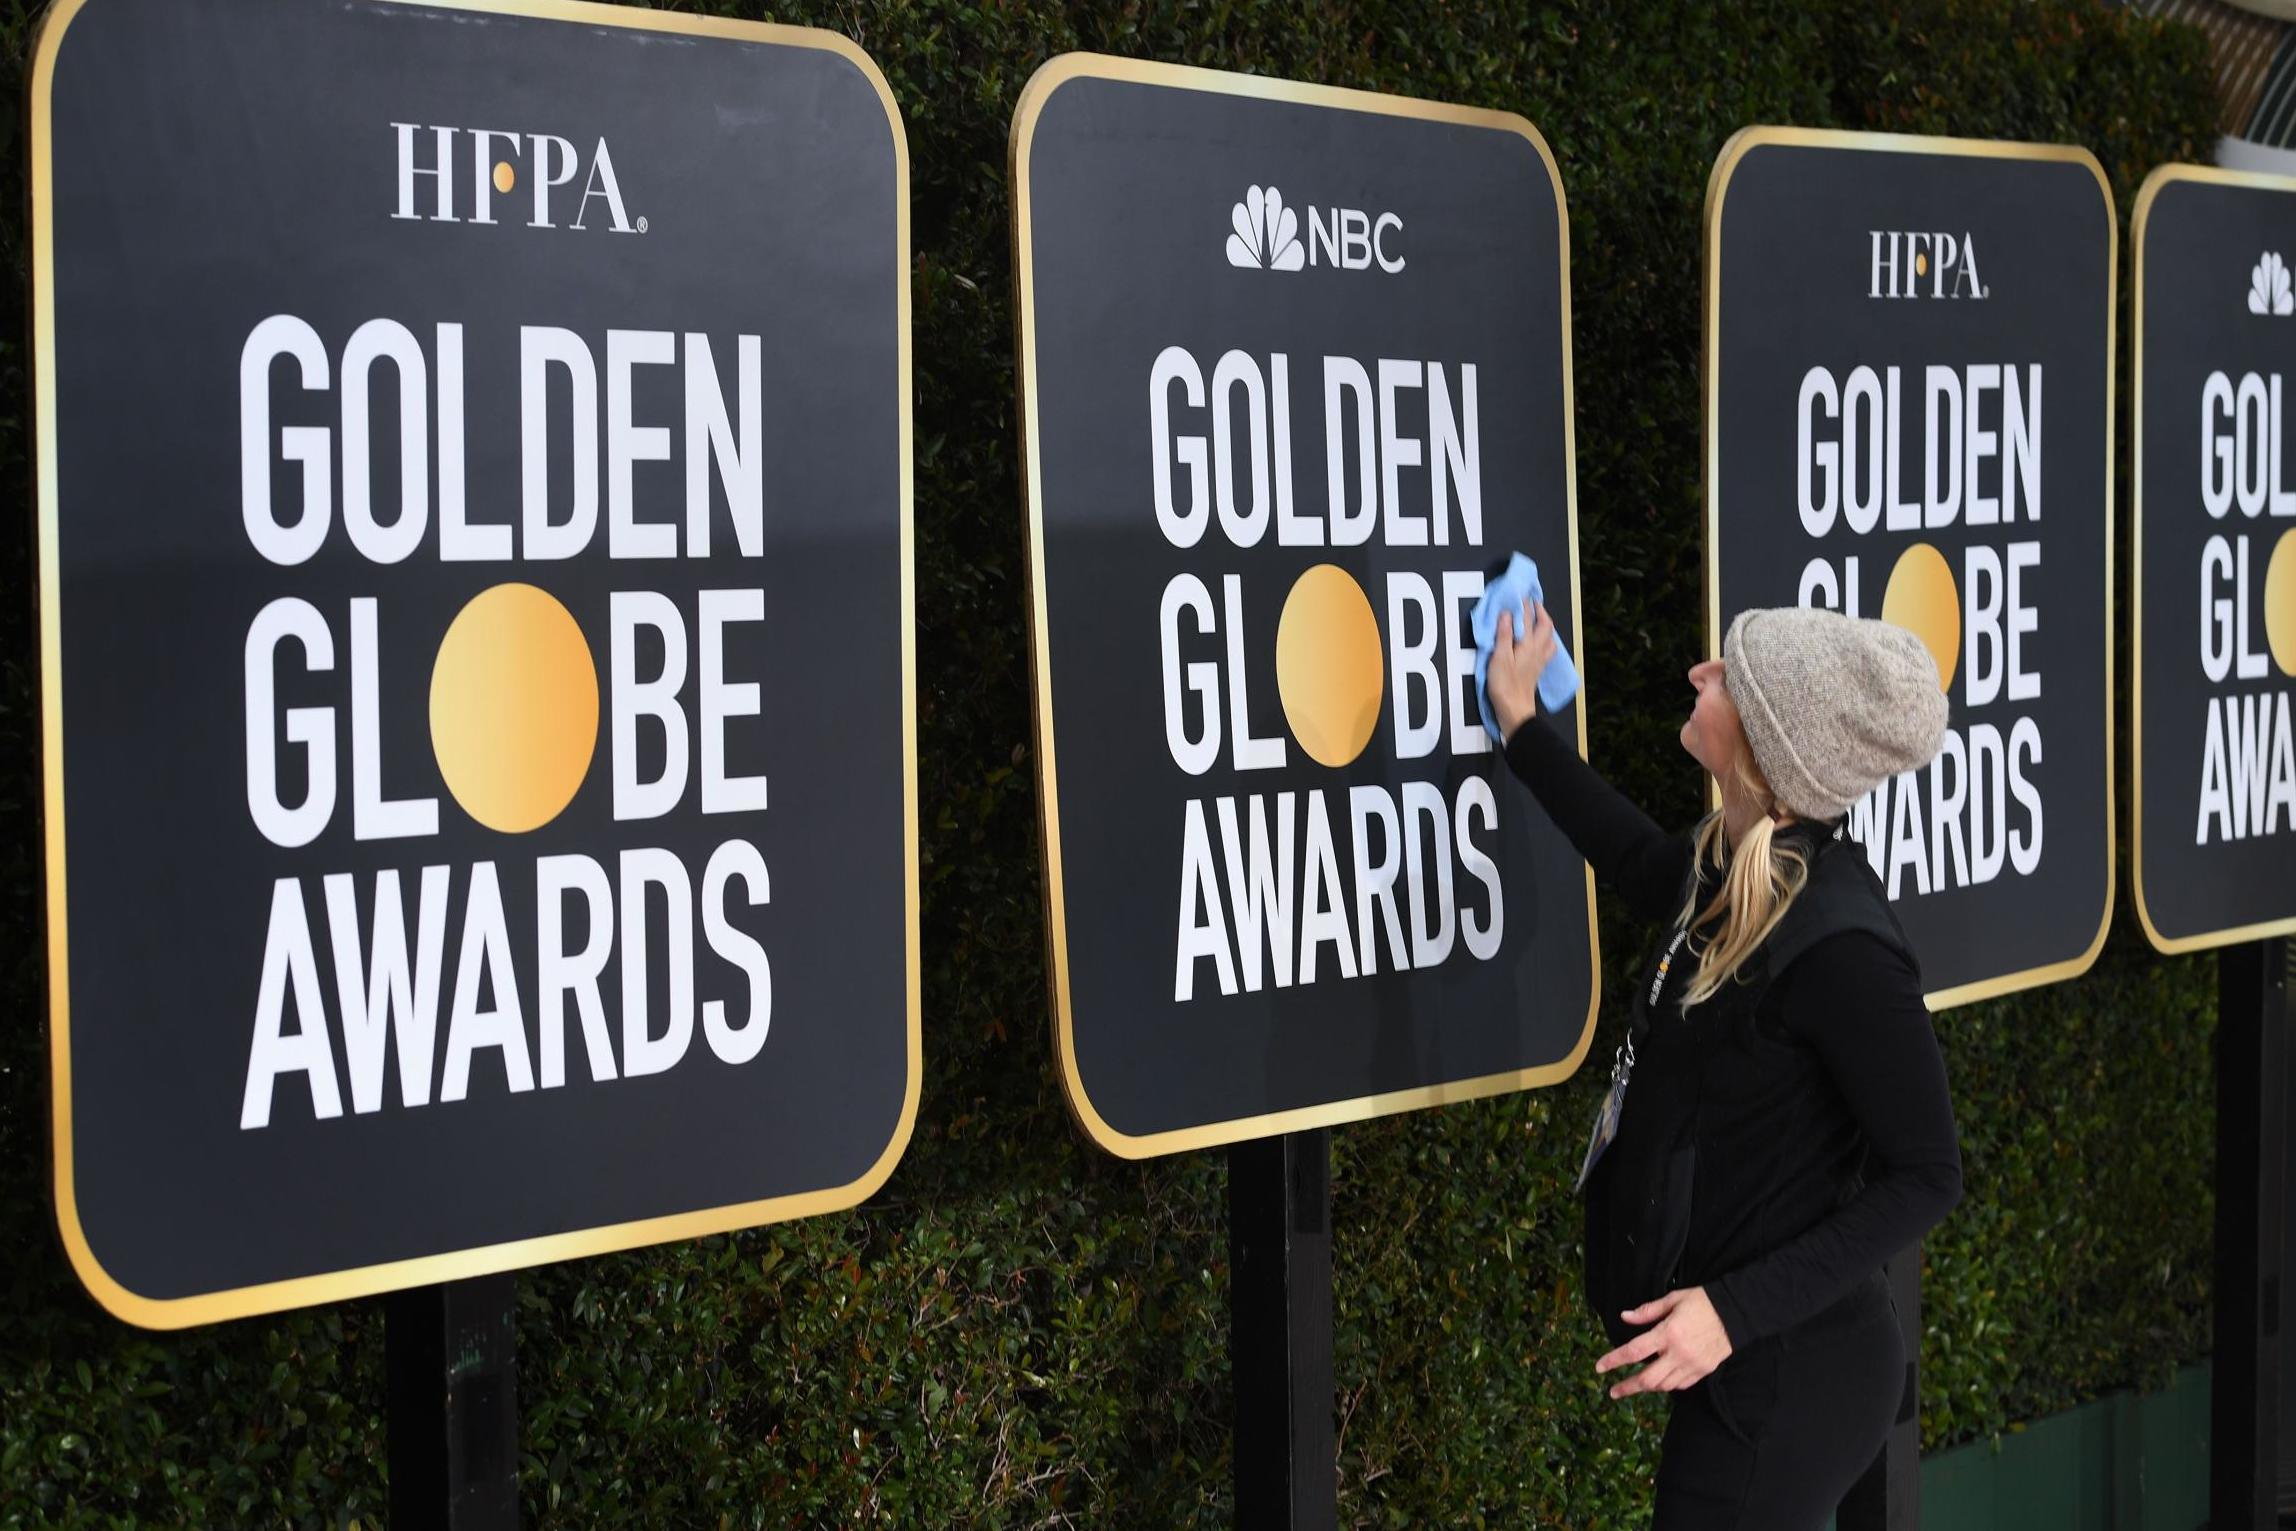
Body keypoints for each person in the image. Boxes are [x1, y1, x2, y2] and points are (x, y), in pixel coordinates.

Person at [1485, 601, 1964, 1531]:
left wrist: (1730, 1315)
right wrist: (1519, 725)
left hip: (1794, 1375)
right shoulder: (1737, 875)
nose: (1701, 673)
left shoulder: (1840, 944)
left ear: (1765, 746)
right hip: (1756, 1366)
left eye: (1729, 676)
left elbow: (1930, 1174)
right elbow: (1629, 854)